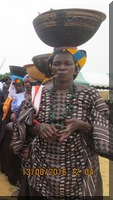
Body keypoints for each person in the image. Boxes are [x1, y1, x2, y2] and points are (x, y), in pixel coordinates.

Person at [12, 47, 111, 198]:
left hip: (80, 167)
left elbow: (105, 128)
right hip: (41, 165)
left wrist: (81, 125)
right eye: (57, 63)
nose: (62, 67)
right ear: (51, 67)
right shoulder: (38, 93)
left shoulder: (90, 94)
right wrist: (39, 127)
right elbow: (23, 127)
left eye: (68, 63)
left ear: (75, 67)